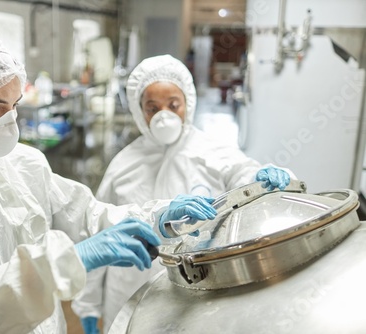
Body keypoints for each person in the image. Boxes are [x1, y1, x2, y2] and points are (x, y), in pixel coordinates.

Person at [0, 31, 219, 334]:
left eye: (14, 105)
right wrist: (63, 263)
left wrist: (157, 219)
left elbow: (87, 215)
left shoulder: (24, 162)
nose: (11, 122)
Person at [71, 54, 293, 334]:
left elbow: (244, 175)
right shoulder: (124, 165)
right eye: (153, 108)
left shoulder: (212, 151)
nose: (164, 116)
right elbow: (98, 232)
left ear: (188, 103)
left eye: (173, 105)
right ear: (140, 111)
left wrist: (263, 176)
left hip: (197, 285)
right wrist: (88, 306)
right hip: (128, 288)